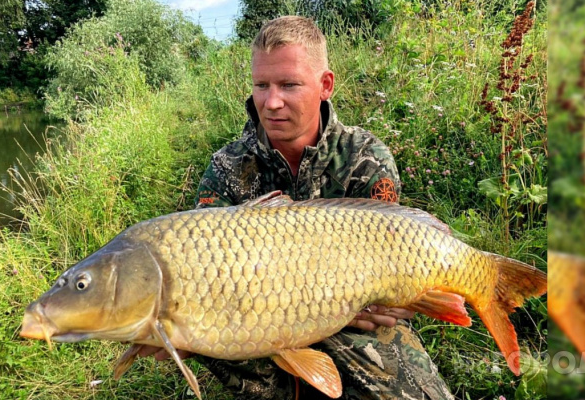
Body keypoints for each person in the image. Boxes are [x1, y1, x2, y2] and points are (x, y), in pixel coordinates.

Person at [142, 16, 455, 400]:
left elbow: (391, 269)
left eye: (289, 84)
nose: (271, 102)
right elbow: (204, 279)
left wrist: (398, 298)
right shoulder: (228, 166)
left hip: (354, 317)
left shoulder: (364, 156)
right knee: (209, 333)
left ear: (325, 85)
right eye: (262, 85)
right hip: (255, 317)